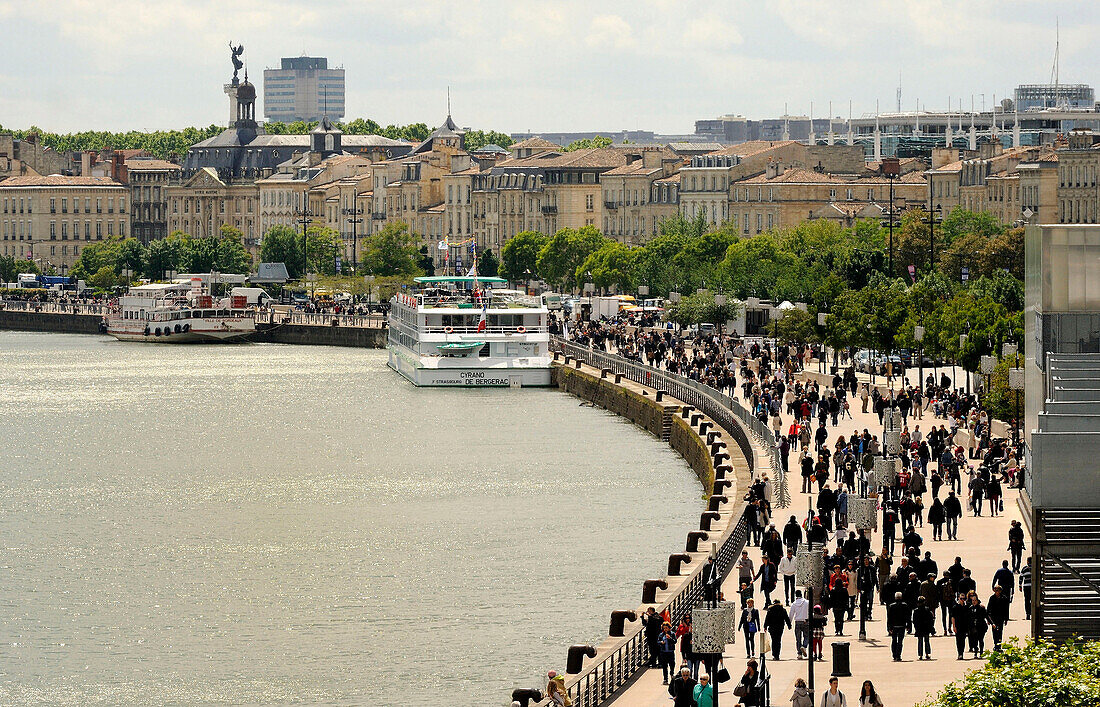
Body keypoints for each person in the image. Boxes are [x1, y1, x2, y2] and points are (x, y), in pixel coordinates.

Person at [886, 591, 911, 661]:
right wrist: (908, 625)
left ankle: (894, 654)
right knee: (900, 641)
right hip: (902, 626)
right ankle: (898, 655)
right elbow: (908, 616)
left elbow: (889, 618)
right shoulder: (905, 605)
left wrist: (889, 627)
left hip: (894, 626)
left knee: (894, 640)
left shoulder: (891, 606)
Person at [987, 586, 1011, 651]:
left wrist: (1006, 619)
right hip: (993, 618)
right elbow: (989, 609)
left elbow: (1006, 609)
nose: (997, 592)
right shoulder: (992, 598)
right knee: (994, 632)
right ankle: (995, 644)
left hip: (1001, 618)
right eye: (996, 590)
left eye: (998, 590)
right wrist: (988, 620)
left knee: (1000, 632)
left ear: (1000, 591)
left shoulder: (1004, 598)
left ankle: (999, 645)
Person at [913, 596, 935, 660]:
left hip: (919, 628)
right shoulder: (927, 609)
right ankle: (927, 654)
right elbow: (931, 619)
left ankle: (920, 655)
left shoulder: (916, 611)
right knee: (927, 641)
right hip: (926, 627)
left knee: (920, 641)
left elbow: (914, 620)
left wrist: (916, 627)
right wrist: (931, 627)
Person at [791, 590, 810, 659]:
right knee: (807, 636)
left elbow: (791, 614)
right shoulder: (807, 602)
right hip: (805, 621)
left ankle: (799, 654)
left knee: (798, 638)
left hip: (797, 622)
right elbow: (810, 611)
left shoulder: (794, 604)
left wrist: (789, 623)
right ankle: (804, 646)